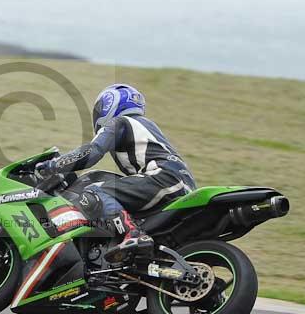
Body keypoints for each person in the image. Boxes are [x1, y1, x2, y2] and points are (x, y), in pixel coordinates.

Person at [36, 84, 196, 264]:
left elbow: (91, 152)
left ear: (111, 104)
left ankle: (132, 233)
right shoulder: (145, 126)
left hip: (162, 178)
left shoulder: (120, 122)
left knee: (95, 190)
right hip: (179, 184)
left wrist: (54, 164)